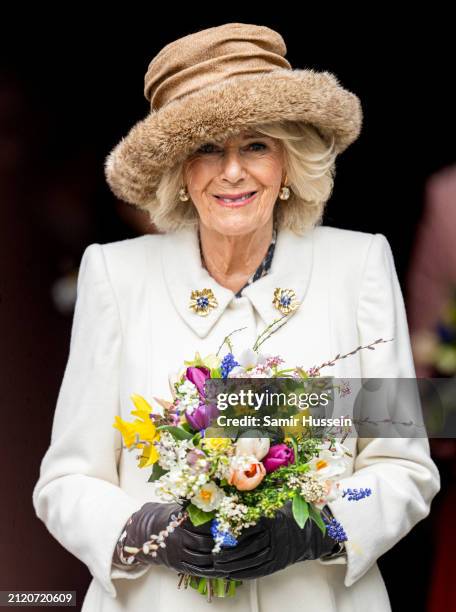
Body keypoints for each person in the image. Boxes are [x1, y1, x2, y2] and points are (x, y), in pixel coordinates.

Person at [32, 22, 440, 612]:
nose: (232, 173)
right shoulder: (115, 277)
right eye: (206, 148)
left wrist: (317, 529)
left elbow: (404, 465)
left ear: (287, 162)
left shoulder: (359, 265)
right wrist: (149, 530)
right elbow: (67, 482)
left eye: (255, 145)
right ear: (179, 171)